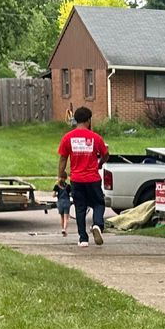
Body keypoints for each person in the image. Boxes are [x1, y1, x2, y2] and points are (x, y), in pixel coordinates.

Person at [57, 106, 107, 247]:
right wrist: (100, 164)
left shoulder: (67, 138)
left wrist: (61, 176)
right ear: (89, 120)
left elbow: (62, 159)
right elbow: (106, 154)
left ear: (76, 120)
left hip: (76, 180)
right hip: (93, 179)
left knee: (80, 208)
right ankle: (97, 225)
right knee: (98, 203)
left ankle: (83, 238)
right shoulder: (96, 137)